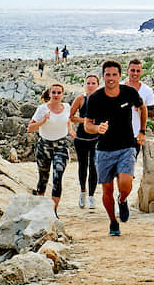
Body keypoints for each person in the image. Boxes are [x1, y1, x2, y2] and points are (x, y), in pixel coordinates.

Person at [84, 60, 145, 237]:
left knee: (126, 184)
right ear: (103, 76)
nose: (111, 78)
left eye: (114, 74)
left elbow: (142, 108)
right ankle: (112, 221)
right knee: (107, 190)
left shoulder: (129, 92)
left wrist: (142, 131)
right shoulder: (95, 98)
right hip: (104, 150)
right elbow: (88, 125)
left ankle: (123, 200)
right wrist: (97, 129)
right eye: (107, 75)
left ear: (120, 75)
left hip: (127, 146)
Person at [27, 83, 76, 217]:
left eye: (59, 92)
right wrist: (43, 120)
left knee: (57, 177)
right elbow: (30, 128)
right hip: (44, 146)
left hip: (61, 146)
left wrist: (71, 130)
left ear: (62, 95)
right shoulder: (42, 109)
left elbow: (68, 120)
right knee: (43, 178)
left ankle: (53, 212)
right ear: (49, 94)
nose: (56, 95)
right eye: (53, 92)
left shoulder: (66, 107)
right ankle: (41, 208)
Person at [70, 74, 100, 210]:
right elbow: (70, 116)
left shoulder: (102, 99)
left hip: (96, 138)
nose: (91, 85)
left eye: (93, 83)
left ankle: (91, 197)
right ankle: (83, 192)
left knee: (94, 166)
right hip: (81, 138)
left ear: (98, 85)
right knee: (83, 166)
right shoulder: (81, 99)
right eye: (88, 83)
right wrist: (85, 120)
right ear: (85, 84)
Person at [124, 59, 154, 160]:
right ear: (127, 70)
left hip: (135, 135)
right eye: (132, 70)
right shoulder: (118, 87)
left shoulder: (147, 91)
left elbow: (151, 114)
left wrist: (140, 108)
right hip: (117, 134)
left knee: (129, 168)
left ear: (141, 72)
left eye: (138, 71)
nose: (135, 73)